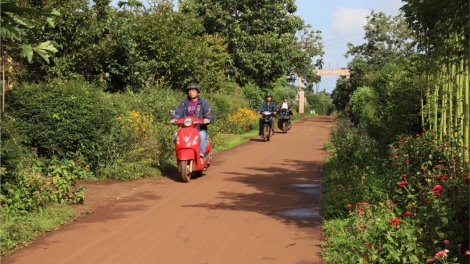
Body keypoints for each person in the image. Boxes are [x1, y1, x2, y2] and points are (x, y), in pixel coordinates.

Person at [170, 83, 214, 161]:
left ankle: (201, 156)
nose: (191, 92)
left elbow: (209, 112)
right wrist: (175, 118)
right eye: (189, 90)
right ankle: (179, 154)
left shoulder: (203, 102)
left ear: (197, 92)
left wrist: (207, 119)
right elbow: (178, 112)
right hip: (186, 129)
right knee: (176, 135)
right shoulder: (184, 102)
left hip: (199, 128)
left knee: (202, 136)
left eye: (193, 90)